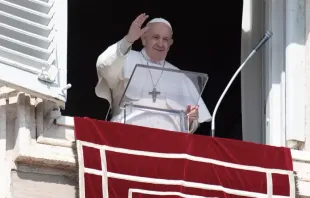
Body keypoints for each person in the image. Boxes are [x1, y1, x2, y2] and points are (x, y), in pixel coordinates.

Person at [95, 13, 211, 133]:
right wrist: (128, 40)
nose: (161, 44)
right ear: (144, 39)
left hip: (169, 144)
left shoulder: (179, 76)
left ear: (170, 44)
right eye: (156, 37)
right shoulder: (125, 58)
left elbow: (190, 122)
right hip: (127, 136)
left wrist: (190, 119)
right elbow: (104, 66)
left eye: (165, 39)